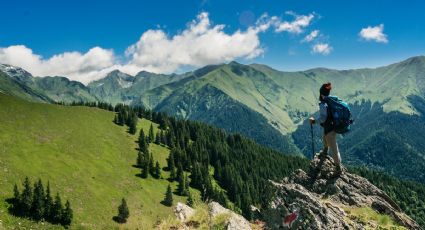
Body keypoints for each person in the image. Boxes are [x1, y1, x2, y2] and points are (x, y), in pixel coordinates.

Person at [309, 82, 342, 174]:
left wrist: (314, 121)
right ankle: (325, 150)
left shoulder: (323, 104)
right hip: (332, 126)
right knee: (325, 136)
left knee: (334, 147)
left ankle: (338, 168)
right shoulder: (331, 100)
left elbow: (323, 118)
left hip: (330, 128)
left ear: (321, 93)